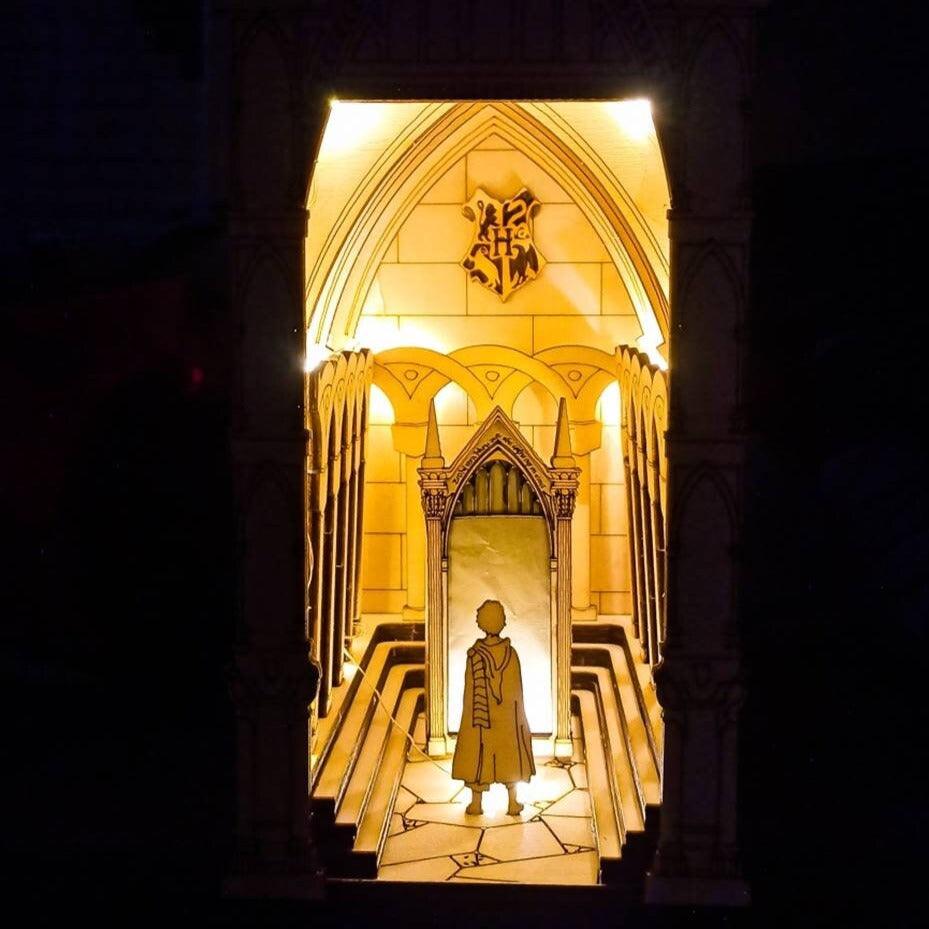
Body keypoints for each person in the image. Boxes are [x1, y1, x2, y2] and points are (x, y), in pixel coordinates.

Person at [451, 599, 535, 815]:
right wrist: (519, 718)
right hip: (507, 719)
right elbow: (517, 691)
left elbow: (470, 692)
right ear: (502, 622)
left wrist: (471, 719)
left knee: (480, 758)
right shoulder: (511, 654)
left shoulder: (474, 655)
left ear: (481, 623)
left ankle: (476, 803)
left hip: (482, 719)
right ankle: (512, 803)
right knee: (510, 756)